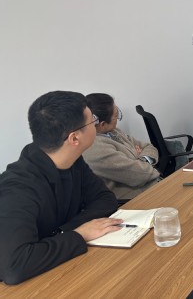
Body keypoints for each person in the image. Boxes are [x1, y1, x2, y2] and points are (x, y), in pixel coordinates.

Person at [0, 91, 122, 285]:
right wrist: (80, 234)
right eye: (92, 120)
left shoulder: (72, 160)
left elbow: (105, 199)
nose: (96, 123)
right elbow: (14, 267)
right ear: (74, 138)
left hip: (64, 267)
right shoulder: (17, 188)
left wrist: (64, 232)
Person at [83, 93, 160, 200]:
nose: (118, 119)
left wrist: (141, 160)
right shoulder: (94, 149)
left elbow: (148, 146)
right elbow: (142, 175)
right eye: (116, 115)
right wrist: (141, 160)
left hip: (152, 185)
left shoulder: (113, 131)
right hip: (136, 197)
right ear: (102, 124)